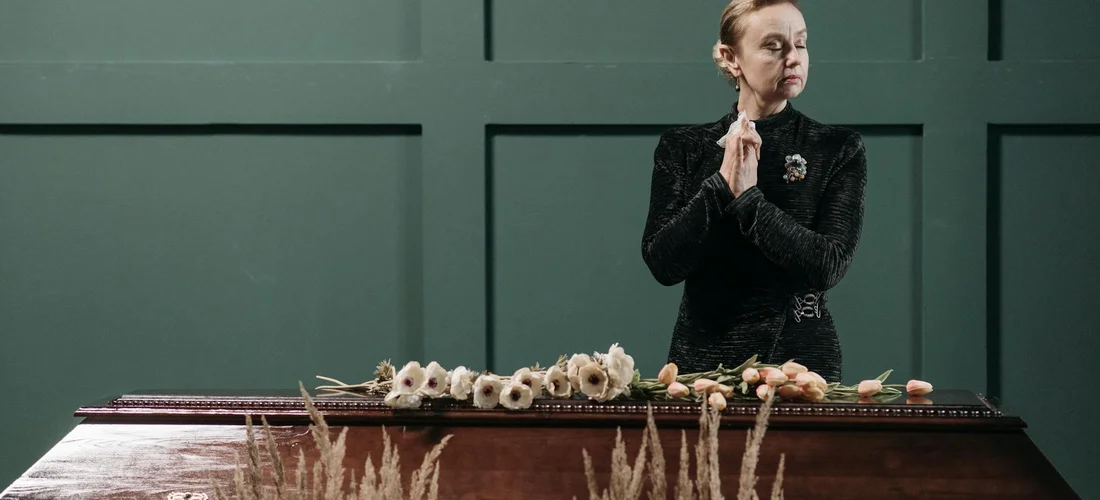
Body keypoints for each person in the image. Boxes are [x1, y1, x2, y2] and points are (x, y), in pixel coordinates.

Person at [640, 0, 867, 383]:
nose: (793, 59)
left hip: (802, 366)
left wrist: (747, 200)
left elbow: (828, 265)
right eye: (774, 46)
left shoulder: (837, 148)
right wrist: (720, 187)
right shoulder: (684, 146)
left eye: (802, 44)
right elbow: (663, 264)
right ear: (732, 58)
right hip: (704, 365)